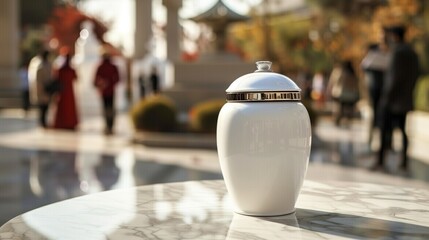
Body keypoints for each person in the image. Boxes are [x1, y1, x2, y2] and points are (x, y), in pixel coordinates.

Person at [374, 25, 420, 172]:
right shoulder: (412, 53)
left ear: (395, 36)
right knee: (403, 130)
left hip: (393, 99)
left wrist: (386, 98)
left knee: (385, 130)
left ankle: (381, 161)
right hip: (406, 97)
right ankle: (404, 161)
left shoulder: (397, 53)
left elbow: (393, 78)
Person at [327, 60, 360, 125]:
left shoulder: (339, 71)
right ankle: (346, 120)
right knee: (348, 109)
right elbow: (356, 85)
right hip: (351, 95)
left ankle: (337, 120)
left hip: (340, 93)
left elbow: (333, 82)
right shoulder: (353, 73)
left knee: (338, 108)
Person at [94, 52, 120, 135]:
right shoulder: (108, 66)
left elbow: (95, 81)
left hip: (107, 91)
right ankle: (109, 126)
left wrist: (105, 84)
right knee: (109, 109)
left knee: (107, 109)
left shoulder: (102, 67)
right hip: (107, 91)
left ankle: (109, 126)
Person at [53, 53, 79, 130]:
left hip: (63, 92)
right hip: (68, 92)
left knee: (65, 107)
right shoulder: (70, 70)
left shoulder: (61, 70)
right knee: (68, 107)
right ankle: (69, 123)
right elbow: (76, 78)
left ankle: (64, 123)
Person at [31, 50, 53, 128]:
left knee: (46, 107)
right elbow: (37, 79)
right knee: (42, 107)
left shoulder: (48, 64)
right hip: (41, 89)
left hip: (47, 88)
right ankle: (42, 122)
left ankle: (44, 121)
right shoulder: (39, 65)